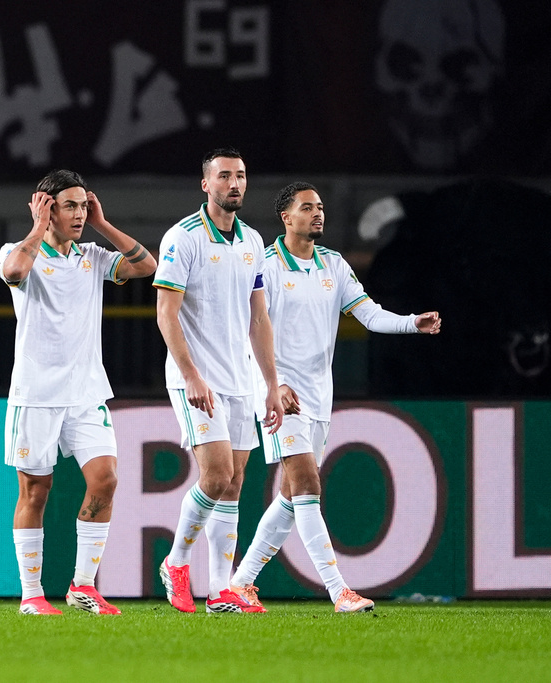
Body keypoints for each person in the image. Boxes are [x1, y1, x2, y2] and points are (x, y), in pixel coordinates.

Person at [229, 181, 441, 613]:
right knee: (307, 485)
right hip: (277, 393)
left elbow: (367, 313)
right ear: (286, 217)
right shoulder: (265, 266)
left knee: (291, 497)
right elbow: (244, 333)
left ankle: (241, 582)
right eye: (308, 207)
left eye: (321, 207)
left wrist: (410, 323)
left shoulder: (333, 264)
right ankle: (338, 589)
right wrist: (272, 384)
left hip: (318, 397)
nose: (318, 213)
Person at [0, 169, 157, 615]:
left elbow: (148, 266)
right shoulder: (18, 252)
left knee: (105, 480)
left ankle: (83, 586)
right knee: (35, 492)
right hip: (36, 395)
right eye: (69, 205)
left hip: (87, 393)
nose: (79, 214)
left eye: (83, 205)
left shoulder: (93, 255)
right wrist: (35, 228)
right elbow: (12, 273)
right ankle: (31, 596)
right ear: (46, 208)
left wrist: (104, 225)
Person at [154, 148, 284, 614]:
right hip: (196, 379)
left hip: (240, 380)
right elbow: (165, 313)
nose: (235, 183)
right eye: (224, 176)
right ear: (205, 184)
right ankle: (176, 561)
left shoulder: (252, 241)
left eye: (241, 176)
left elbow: (259, 318)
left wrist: (270, 383)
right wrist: (190, 374)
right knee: (217, 474)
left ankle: (220, 590)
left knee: (236, 482)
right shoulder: (182, 238)